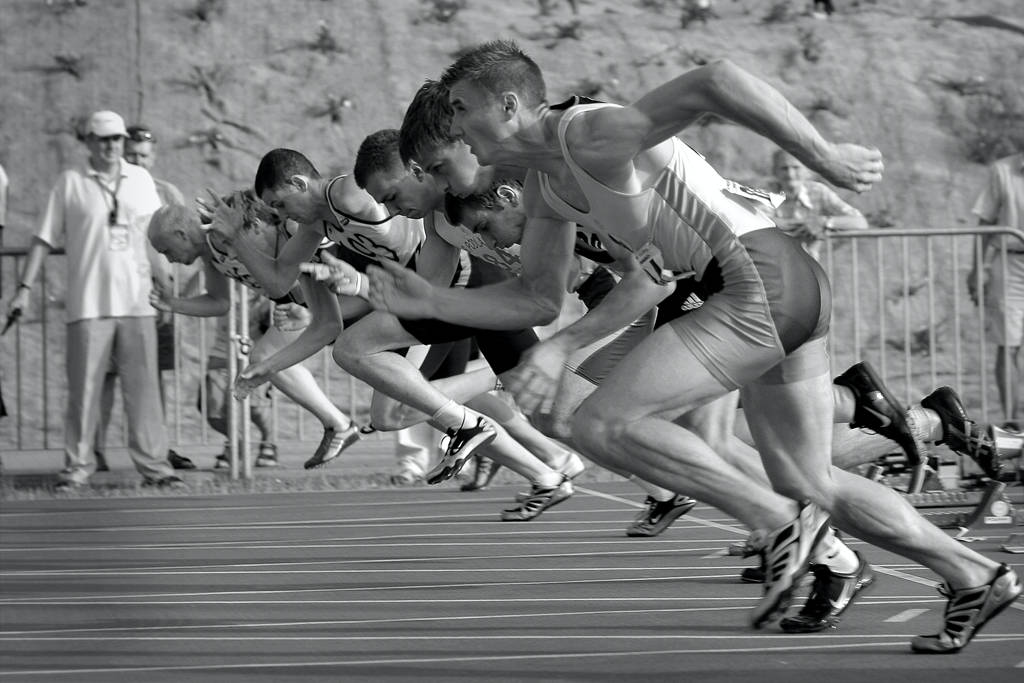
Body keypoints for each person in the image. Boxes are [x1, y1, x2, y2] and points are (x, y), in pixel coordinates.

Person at [364, 41, 1018, 651]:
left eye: (460, 114)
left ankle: (778, 522)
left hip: (753, 276)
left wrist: (826, 158)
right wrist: (435, 303)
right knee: (807, 476)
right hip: (773, 281)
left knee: (601, 420)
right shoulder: (542, 186)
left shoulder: (585, 133)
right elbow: (535, 297)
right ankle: (972, 573)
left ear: (508, 106)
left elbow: (715, 80)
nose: (455, 134)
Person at [233, 146, 583, 520]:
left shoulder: (351, 194)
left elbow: (392, 161)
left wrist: (362, 284)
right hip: (439, 294)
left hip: (463, 285)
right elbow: (323, 318)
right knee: (394, 388)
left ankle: (553, 449)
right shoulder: (316, 229)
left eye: (281, 205)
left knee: (406, 407)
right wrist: (269, 364)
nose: (394, 207)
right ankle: (545, 465)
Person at [4, 110, 183, 490]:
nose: (111, 146)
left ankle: (156, 468)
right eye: (103, 139)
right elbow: (42, 239)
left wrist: (166, 283)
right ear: (87, 141)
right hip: (88, 306)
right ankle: (77, 468)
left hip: (137, 304)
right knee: (83, 393)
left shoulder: (140, 179)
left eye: (116, 139)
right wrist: (23, 288)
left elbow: (157, 234)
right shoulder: (70, 183)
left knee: (145, 391)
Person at [147, 196, 363, 471]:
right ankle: (340, 425)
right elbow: (219, 302)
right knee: (391, 406)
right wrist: (174, 304)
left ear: (181, 234)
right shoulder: (210, 253)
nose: (170, 259)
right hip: (303, 304)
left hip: (326, 288)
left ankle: (340, 424)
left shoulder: (223, 233)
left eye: (166, 250)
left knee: (267, 355)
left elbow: (284, 246)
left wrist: (300, 299)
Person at [93, 124, 196, 472]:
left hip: (154, 298)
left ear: (153, 158)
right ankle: (94, 450)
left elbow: (186, 239)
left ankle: (160, 448)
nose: (137, 160)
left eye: (143, 155)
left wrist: (170, 292)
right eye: (131, 154)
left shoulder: (168, 192)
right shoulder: (108, 188)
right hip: (112, 296)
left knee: (154, 376)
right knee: (104, 375)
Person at [968, 151, 1024, 431]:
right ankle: (1013, 421)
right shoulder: (1002, 171)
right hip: (1009, 260)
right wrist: (977, 268)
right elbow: (986, 224)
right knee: (1008, 344)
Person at [768, 150, 867, 262]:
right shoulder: (766, 191)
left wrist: (824, 222)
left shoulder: (818, 191)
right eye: (784, 168)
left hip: (811, 265)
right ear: (775, 172)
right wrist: (804, 225)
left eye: (796, 168)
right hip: (773, 265)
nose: (790, 174)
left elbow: (860, 222)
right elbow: (756, 221)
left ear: (807, 170)